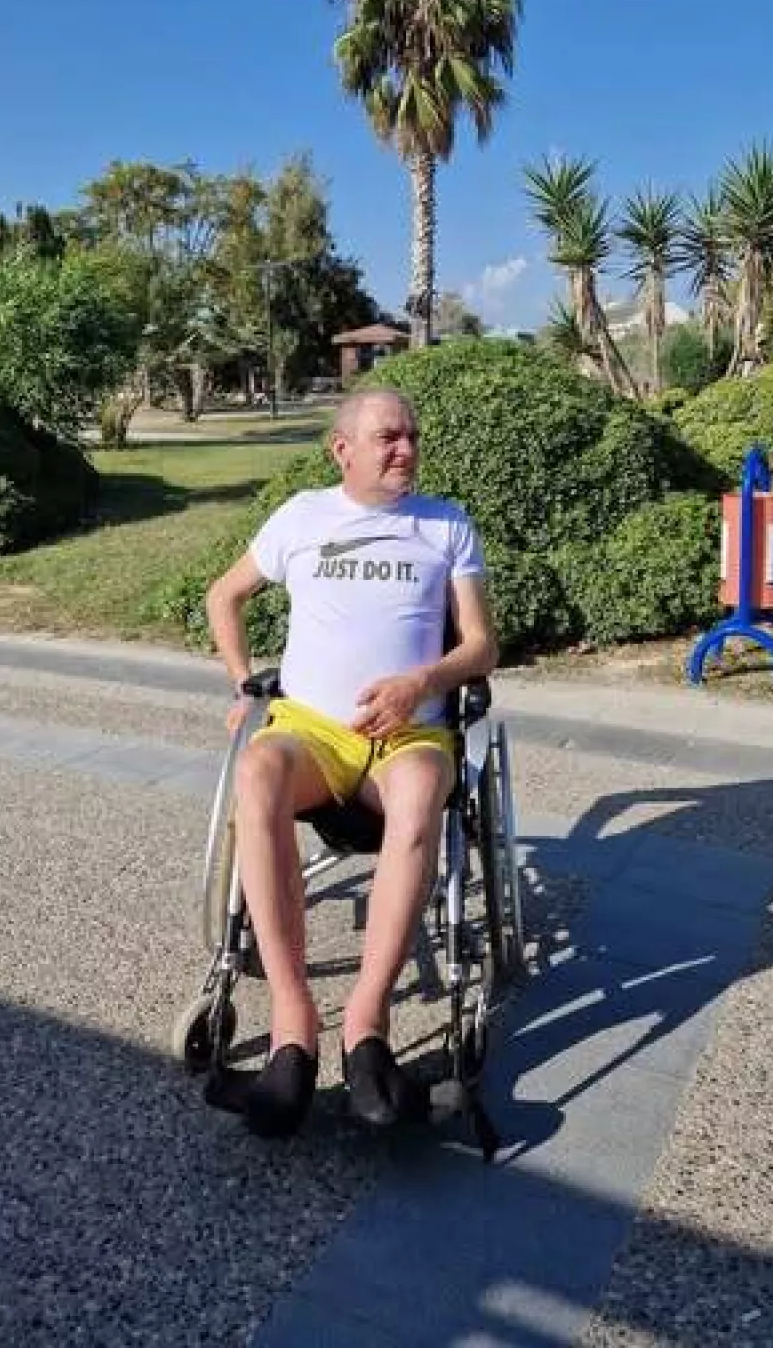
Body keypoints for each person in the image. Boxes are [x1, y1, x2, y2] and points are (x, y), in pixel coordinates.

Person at [204, 387, 497, 1138]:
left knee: (423, 791)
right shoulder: (302, 517)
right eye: (388, 437)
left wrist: (419, 684)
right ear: (343, 449)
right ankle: (292, 1026)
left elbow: (480, 646)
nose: (407, 448)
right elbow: (224, 596)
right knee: (257, 773)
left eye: (412, 435)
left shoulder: (445, 524)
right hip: (313, 731)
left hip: (409, 736)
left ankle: (367, 1025)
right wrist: (243, 684)